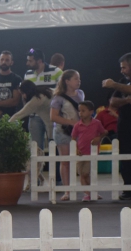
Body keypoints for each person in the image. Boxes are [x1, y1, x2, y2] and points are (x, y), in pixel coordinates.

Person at [50, 69, 84, 201]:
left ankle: (85, 189)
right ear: (67, 81)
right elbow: (53, 117)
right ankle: (67, 191)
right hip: (62, 131)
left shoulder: (81, 94)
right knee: (65, 161)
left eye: (79, 78)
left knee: (82, 160)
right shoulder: (58, 98)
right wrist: (72, 122)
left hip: (79, 132)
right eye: (76, 78)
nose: (79, 81)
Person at [102, 52, 131, 200]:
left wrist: (114, 84)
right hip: (125, 125)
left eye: (124, 67)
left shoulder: (118, 83)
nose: (122, 71)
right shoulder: (122, 81)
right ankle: (128, 189)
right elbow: (113, 102)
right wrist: (127, 100)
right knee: (125, 157)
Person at [71, 101, 108, 202]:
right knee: (82, 174)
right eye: (79, 111)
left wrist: (98, 138)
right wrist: (76, 149)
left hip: (91, 153)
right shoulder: (77, 125)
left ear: (91, 112)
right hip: (80, 153)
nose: (80, 113)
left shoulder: (97, 123)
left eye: (83, 110)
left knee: (86, 173)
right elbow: (73, 138)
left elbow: (104, 132)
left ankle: (89, 192)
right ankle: (89, 192)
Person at [9, 80, 53, 149]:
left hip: (53, 127)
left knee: (40, 147)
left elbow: (20, 114)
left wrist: (6, 124)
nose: (23, 96)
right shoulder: (44, 91)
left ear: (28, 91)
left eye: (23, 93)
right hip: (54, 126)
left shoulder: (36, 100)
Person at [0, 51, 22, 119]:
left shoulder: (17, 79)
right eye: (2, 59)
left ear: (12, 62)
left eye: (7, 60)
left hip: (13, 116)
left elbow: (15, 101)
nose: (4, 62)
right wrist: (2, 114)